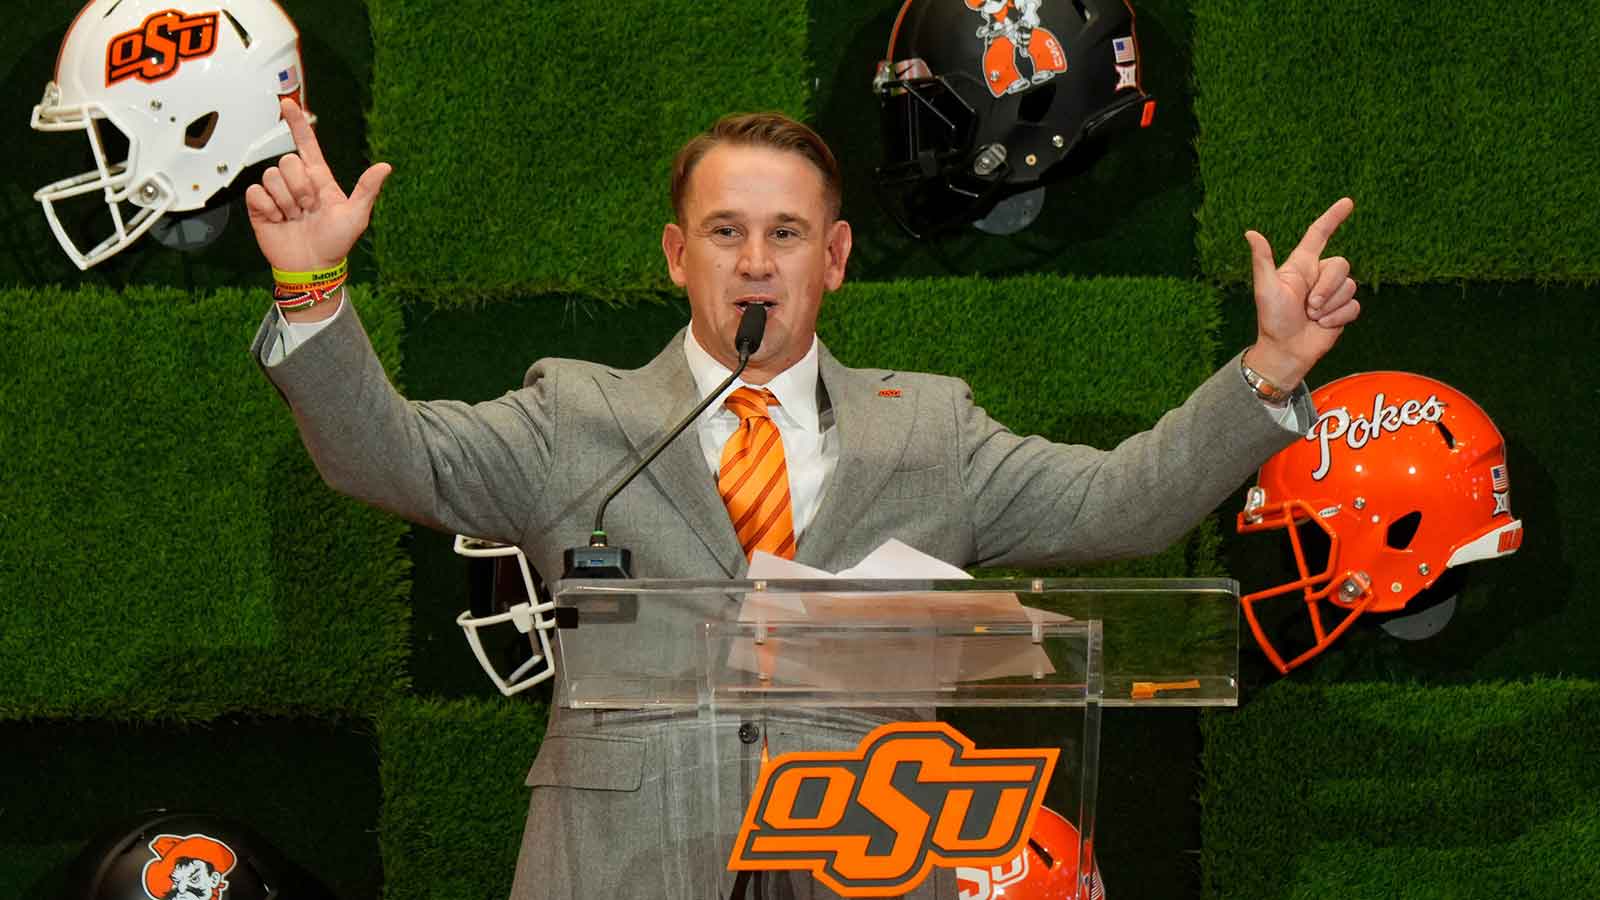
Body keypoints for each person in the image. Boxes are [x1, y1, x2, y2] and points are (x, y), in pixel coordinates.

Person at [245, 98, 1358, 898]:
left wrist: (1268, 368)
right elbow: (385, 457)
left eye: (785, 235)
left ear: (834, 258)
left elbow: (1126, 502)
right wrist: (310, 285)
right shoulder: (573, 416)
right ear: (680, 256)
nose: (756, 262)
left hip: (870, 858)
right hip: (625, 863)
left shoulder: (930, 428)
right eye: (725, 233)